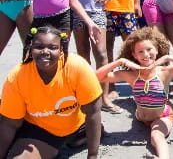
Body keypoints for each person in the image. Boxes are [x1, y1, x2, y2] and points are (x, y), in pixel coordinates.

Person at [96, 27, 173, 159]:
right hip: (140, 117)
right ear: (134, 55)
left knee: (156, 137)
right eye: (140, 51)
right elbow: (98, 76)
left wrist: (168, 57)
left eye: (149, 49)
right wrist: (120, 61)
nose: (146, 54)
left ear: (157, 50)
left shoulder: (165, 72)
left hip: (162, 116)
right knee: (143, 115)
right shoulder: (131, 75)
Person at [0, 26, 102, 158]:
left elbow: (93, 112)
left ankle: (79, 137)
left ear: (61, 51)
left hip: (76, 126)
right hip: (39, 130)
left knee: (92, 125)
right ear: (31, 48)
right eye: (39, 46)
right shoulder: (17, 76)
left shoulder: (77, 67)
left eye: (52, 47)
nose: (45, 51)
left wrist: (92, 155)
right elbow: (11, 124)